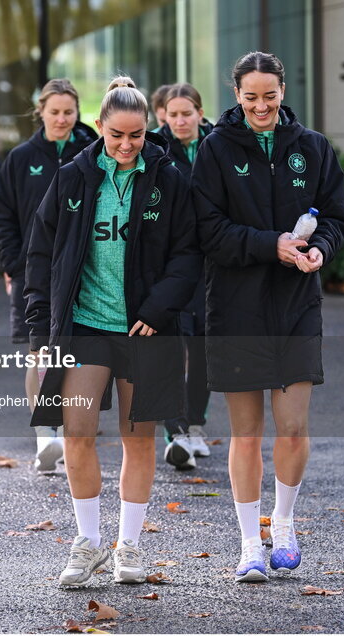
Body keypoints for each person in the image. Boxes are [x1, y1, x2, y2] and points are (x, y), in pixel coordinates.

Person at [25, 76, 200, 587]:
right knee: (77, 434)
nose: (126, 145)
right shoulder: (74, 177)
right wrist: (42, 325)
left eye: (137, 135)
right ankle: (89, 543)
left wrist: (160, 307)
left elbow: (188, 254)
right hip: (85, 327)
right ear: (98, 127)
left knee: (137, 436)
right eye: (116, 135)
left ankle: (129, 547)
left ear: (150, 129)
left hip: (145, 329)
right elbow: (42, 252)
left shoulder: (169, 180)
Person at [190, 51, 344, 583]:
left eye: (270, 95)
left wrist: (320, 248)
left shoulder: (314, 148)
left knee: (294, 426)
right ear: (236, 95)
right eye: (250, 96)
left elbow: (335, 217)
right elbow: (207, 230)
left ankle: (282, 524)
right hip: (236, 305)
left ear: (283, 91)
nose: (261, 105)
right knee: (245, 432)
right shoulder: (214, 150)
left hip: (296, 304)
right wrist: (270, 245)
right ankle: (248, 544)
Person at [0, 78, 96, 473]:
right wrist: (14, 263)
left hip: (82, 274)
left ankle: (71, 433)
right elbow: (1, 215)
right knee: (38, 354)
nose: (62, 119)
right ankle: (45, 436)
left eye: (69, 112)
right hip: (32, 273)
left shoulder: (91, 153)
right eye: (54, 112)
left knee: (76, 355)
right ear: (41, 112)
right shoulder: (20, 158)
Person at [153, 83, 216, 470]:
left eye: (186, 113)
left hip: (212, 264)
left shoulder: (218, 145)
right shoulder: (154, 149)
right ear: (164, 114)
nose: (179, 120)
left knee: (206, 351)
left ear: (199, 112)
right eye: (172, 114)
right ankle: (175, 432)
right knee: (174, 347)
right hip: (171, 263)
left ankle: (194, 424)